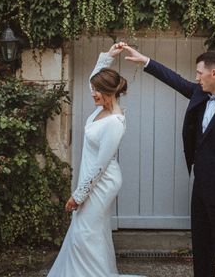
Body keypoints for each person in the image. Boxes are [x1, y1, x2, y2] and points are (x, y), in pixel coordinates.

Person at [123, 45, 215, 277]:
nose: (196, 78)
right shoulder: (201, 95)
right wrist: (145, 60)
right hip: (201, 189)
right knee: (201, 249)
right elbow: (175, 80)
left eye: (199, 73)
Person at [47, 42, 142, 277]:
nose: (93, 93)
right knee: (88, 231)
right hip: (92, 178)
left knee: (85, 232)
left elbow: (100, 166)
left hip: (102, 182)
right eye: (93, 89)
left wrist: (78, 196)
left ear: (110, 93)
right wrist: (108, 57)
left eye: (98, 91)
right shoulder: (101, 108)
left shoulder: (115, 123)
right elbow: (94, 80)